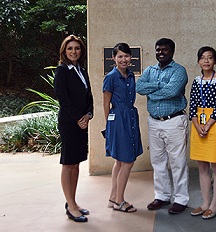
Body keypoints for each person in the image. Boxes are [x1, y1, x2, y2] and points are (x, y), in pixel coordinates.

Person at [136, 38, 189, 214]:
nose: (160, 52)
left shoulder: (179, 71)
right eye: (158, 49)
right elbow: (139, 87)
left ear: (172, 51)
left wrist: (153, 93)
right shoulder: (150, 70)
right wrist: (159, 85)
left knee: (178, 162)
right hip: (154, 121)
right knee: (157, 161)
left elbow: (172, 91)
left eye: (164, 50)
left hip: (174, 121)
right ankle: (162, 196)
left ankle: (180, 199)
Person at [54, 35, 94, 222]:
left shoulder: (81, 70)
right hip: (69, 123)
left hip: (82, 122)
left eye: (77, 48)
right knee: (68, 163)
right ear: (64, 51)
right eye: (70, 48)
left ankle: (73, 202)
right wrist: (78, 118)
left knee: (77, 164)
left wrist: (88, 115)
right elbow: (63, 99)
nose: (73, 51)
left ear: (81, 51)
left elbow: (89, 96)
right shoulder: (62, 71)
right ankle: (70, 206)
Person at [189, 46, 216, 219]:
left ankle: (214, 205)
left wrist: (209, 124)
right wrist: (198, 126)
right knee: (202, 166)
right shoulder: (196, 81)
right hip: (199, 124)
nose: (206, 60)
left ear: (215, 61)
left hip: (215, 124)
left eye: (210, 57)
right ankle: (205, 202)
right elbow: (192, 106)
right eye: (203, 58)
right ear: (198, 61)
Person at [103, 43, 143, 213]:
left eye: (126, 56)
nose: (123, 59)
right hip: (118, 119)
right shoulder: (111, 77)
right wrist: (109, 126)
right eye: (120, 56)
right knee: (127, 160)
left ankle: (113, 197)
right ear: (114, 58)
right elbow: (106, 104)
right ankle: (120, 200)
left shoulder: (131, 75)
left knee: (120, 160)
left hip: (130, 116)